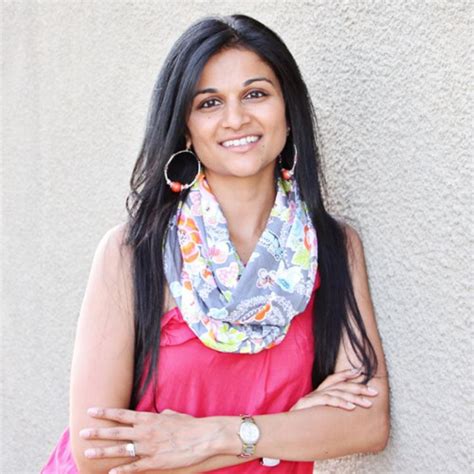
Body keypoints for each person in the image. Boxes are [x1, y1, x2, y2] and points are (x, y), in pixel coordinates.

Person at [42, 13, 389, 474]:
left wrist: (219, 435)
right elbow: (96, 454)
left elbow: (367, 424)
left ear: (288, 111)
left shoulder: (332, 247)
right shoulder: (133, 252)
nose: (236, 118)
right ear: (186, 128)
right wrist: (288, 431)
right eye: (209, 103)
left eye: (256, 94)